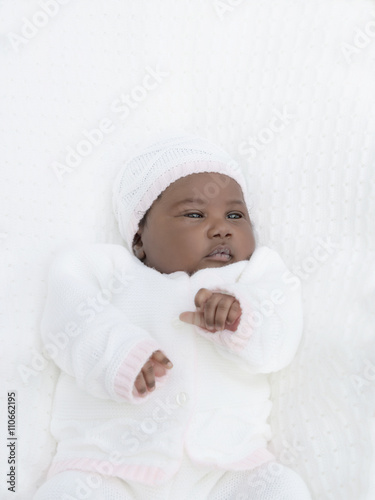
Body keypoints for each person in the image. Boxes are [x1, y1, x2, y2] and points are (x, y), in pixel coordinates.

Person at [34, 135, 311, 499]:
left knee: (282, 488)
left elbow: (279, 343)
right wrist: (119, 355)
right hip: (105, 465)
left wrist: (242, 320)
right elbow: (68, 322)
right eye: (195, 214)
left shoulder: (253, 277)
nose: (221, 228)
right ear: (139, 242)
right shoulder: (105, 270)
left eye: (235, 215)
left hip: (228, 469)